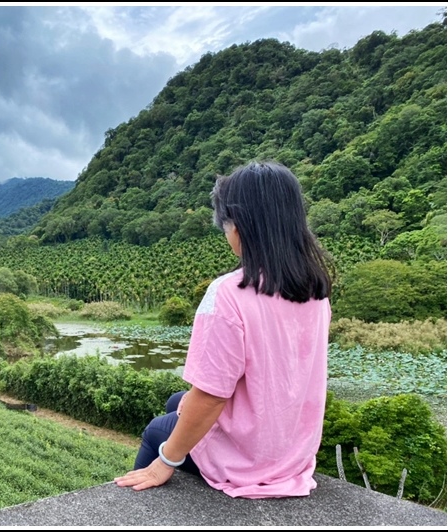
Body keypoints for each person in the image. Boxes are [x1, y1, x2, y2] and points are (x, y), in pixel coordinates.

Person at [115, 160, 332, 498]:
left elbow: (213, 395)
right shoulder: (314, 290)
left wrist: (166, 461)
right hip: (293, 452)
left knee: (159, 429)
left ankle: (133, 507)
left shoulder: (230, 293)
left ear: (239, 226)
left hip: (249, 461)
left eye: (226, 224)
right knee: (178, 400)